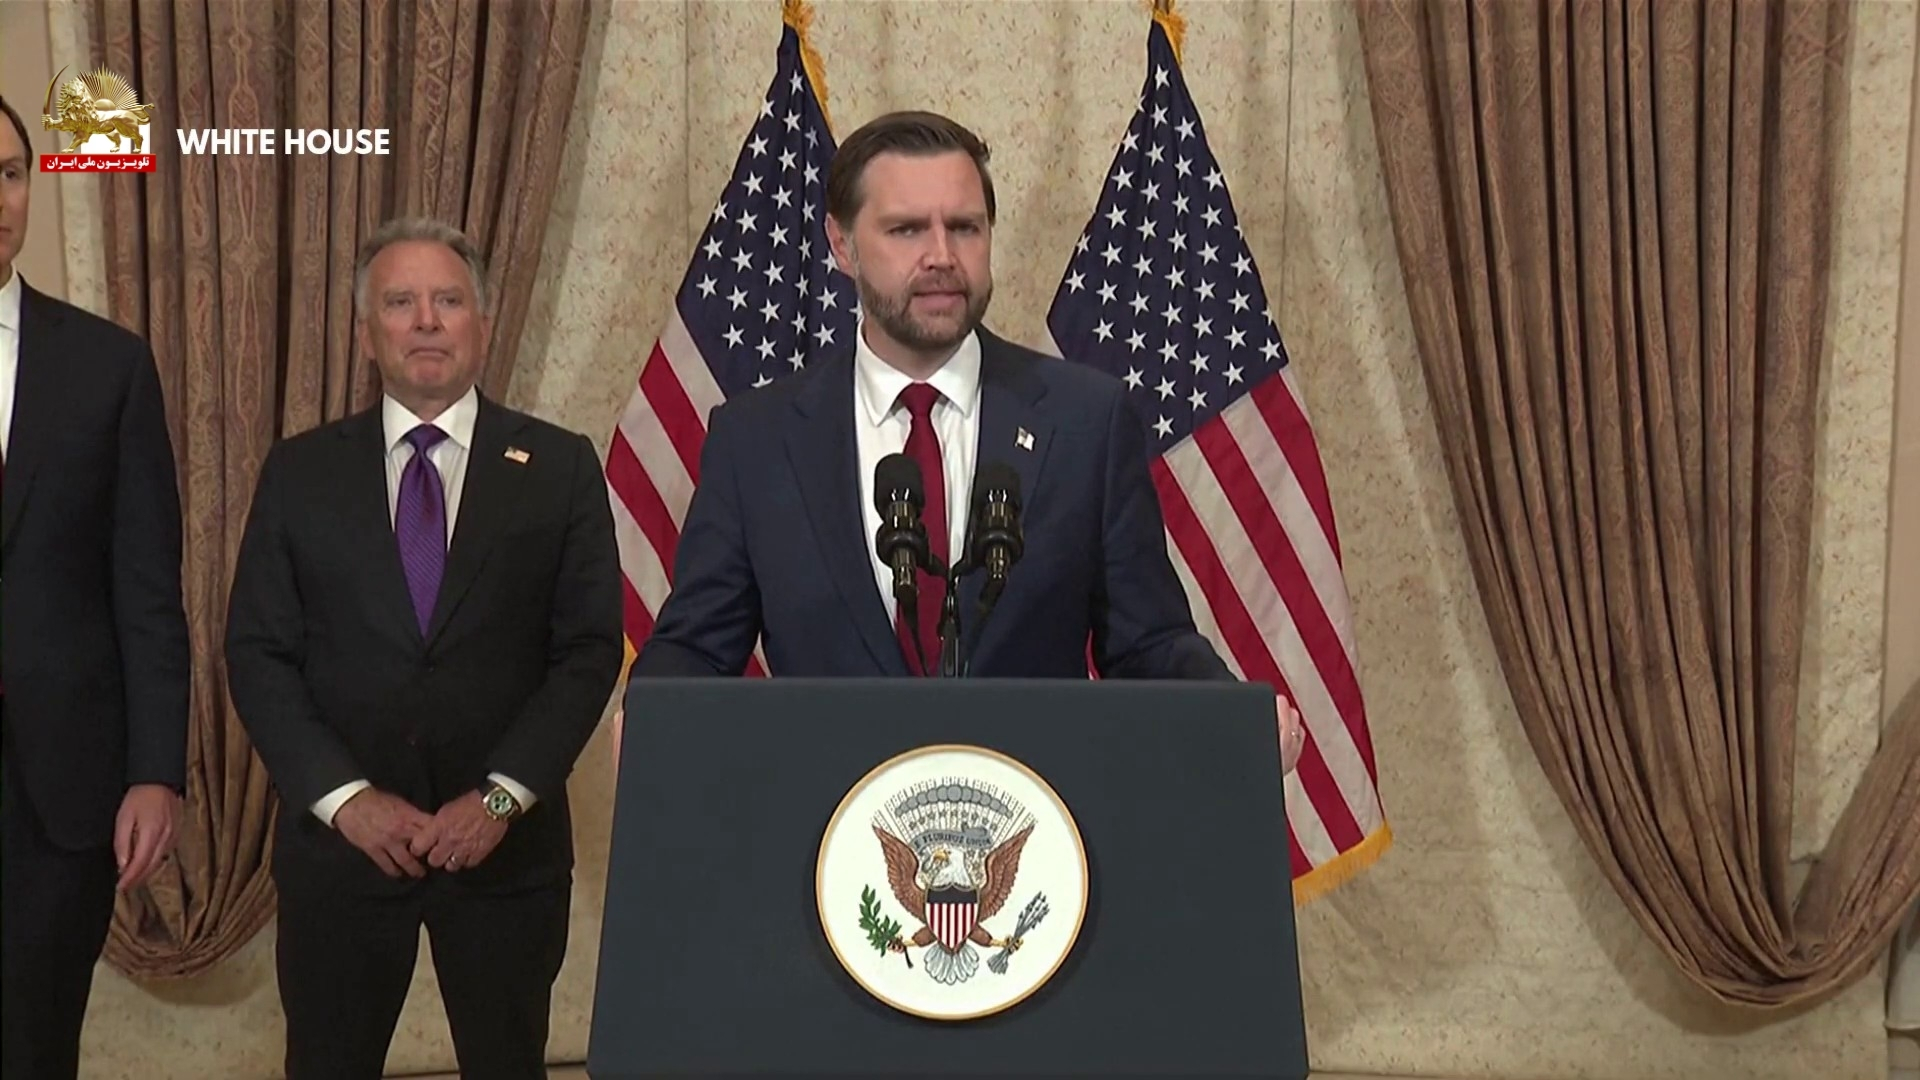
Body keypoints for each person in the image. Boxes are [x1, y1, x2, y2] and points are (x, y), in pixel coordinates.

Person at [626, 110, 1306, 772]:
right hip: (829, 821)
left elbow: (1148, 643)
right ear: (841, 245)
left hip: (1034, 819)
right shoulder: (757, 440)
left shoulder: (1086, 423)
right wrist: (650, 712)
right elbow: (700, 647)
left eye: (964, 228)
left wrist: (1234, 716)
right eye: (906, 229)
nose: (942, 257)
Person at [223, 217, 623, 1079]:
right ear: (367, 331)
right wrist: (348, 801)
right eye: (401, 303)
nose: (427, 321)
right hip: (342, 855)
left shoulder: (559, 468)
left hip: (506, 855)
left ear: (483, 321)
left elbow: (589, 652)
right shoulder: (299, 474)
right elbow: (257, 653)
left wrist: (501, 799)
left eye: (448, 300)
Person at [0, 96, 190, 1078]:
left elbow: (147, 590)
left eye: (8, 175)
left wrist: (156, 770)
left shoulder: (106, 366)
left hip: (57, 794)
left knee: (35, 1049)